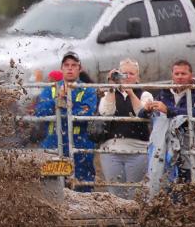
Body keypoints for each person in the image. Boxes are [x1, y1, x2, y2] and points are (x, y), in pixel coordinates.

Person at [142, 59, 195, 189]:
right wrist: (146, 110)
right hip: (168, 151)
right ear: (172, 75)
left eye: (183, 74)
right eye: (177, 73)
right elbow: (143, 116)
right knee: (171, 192)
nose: (179, 77)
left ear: (191, 76)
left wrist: (169, 110)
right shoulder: (164, 94)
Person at [34, 52, 97, 192]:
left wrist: (60, 108)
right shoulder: (50, 89)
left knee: (82, 189)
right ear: (61, 68)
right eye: (66, 65)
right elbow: (40, 112)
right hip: (53, 145)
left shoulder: (88, 90)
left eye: (74, 65)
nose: (70, 68)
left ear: (80, 69)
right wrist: (59, 99)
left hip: (80, 146)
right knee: (51, 189)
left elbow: (86, 112)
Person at [97, 58, 154, 199]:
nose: (127, 77)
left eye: (131, 74)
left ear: (138, 78)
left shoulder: (145, 95)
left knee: (136, 194)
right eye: (123, 73)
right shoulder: (108, 94)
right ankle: (118, 221)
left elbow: (143, 115)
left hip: (138, 151)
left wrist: (131, 93)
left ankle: (135, 221)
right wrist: (111, 86)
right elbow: (106, 113)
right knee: (115, 195)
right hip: (111, 152)